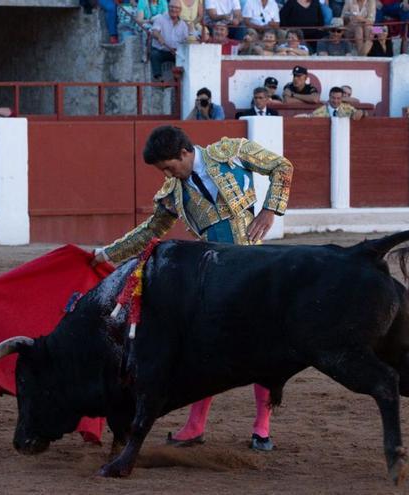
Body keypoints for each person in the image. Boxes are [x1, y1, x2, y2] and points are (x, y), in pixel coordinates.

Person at [91, 125, 293, 452]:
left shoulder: (231, 152)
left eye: (169, 167)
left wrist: (270, 209)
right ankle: (195, 425)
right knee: (203, 347)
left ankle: (262, 427)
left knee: (263, 345)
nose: (167, 174)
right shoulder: (173, 191)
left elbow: (281, 166)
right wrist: (106, 254)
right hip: (212, 274)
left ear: (185, 153)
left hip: (254, 265)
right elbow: (151, 231)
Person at [150, 0, 189, 81]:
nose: (174, 9)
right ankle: (159, 79)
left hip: (175, 52)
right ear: (168, 7)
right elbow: (154, 31)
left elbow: (186, 40)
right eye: (172, 7)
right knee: (154, 54)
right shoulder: (160, 18)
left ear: (180, 10)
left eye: (176, 8)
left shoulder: (183, 25)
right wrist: (159, 36)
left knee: (185, 59)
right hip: (161, 51)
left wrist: (179, 50)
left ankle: (178, 80)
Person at [298, 86, 365, 119]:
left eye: (338, 98)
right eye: (333, 98)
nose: (335, 101)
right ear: (329, 97)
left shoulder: (347, 108)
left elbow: (364, 114)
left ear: (342, 98)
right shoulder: (321, 110)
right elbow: (309, 117)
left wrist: (362, 112)